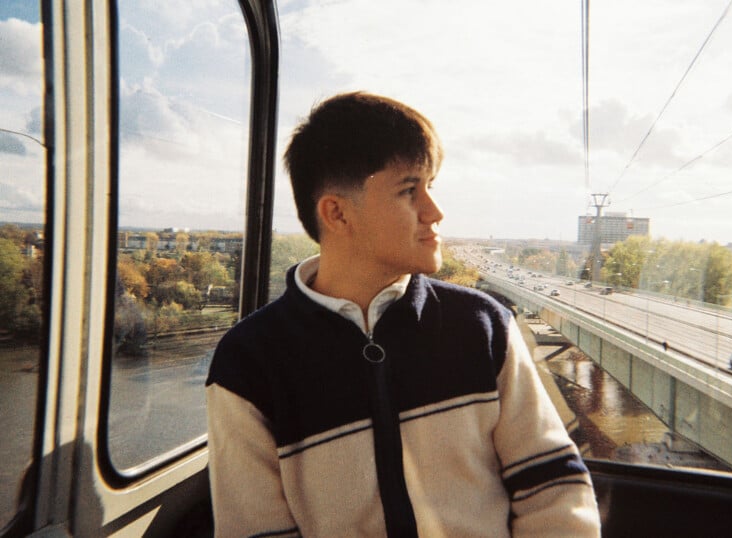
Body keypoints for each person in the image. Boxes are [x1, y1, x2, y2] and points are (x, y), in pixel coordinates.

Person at [205, 92, 601, 537]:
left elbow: (555, 491)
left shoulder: (483, 327)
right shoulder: (248, 364)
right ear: (336, 213)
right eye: (409, 191)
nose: (435, 212)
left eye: (430, 187)